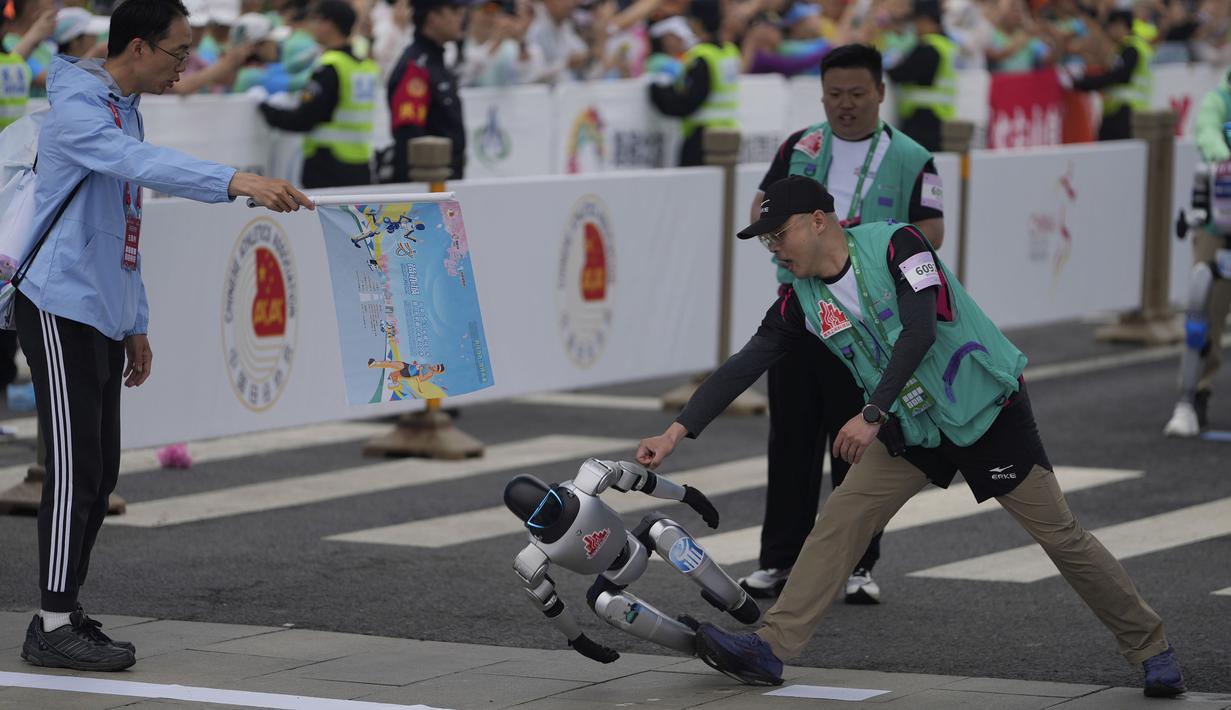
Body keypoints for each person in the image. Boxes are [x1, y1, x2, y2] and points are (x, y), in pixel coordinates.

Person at [635, 176, 1186, 698]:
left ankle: (1151, 648)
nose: (775, 249)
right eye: (766, 241)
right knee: (841, 520)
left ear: (819, 221)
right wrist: (676, 431)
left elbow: (920, 329)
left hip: (984, 411)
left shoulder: (900, 244)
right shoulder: (799, 301)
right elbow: (745, 364)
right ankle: (770, 648)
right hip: (913, 425)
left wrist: (871, 411)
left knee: (1061, 538)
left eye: (780, 235)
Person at [15, 0, 311, 673]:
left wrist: (135, 319)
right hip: (58, 305)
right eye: (180, 52)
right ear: (140, 48)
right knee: (74, 472)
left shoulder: (124, 103)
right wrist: (235, 181)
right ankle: (53, 621)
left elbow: (122, 220)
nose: (187, 66)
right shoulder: (80, 109)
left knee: (102, 470)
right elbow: (133, 164)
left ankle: (64, 610)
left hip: (99, 309)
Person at [738, 43, 944, 604]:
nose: (845, 105)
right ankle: (779, 560)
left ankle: (858, 565)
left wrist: (865, 246)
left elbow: (932, 231)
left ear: (880, 91)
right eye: (834, 95)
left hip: (866, 325)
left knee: (857, 445)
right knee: (790, 439)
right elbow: (761, 208)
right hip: (804, 312)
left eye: (857, 94)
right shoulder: (800, 145)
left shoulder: (912, 156)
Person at [1163, 68, 1231, 437]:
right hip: (1221, 221)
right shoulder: (1219, 100)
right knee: (1204, 307)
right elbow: (1206, 131)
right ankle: (1191, 397)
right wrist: (1225, 159)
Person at [258, 0, 379, 189]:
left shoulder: (330, 67)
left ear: (329, 24)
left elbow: (303, 119)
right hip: (361, 163)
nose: (310, 26)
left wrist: (264, 108)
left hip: (328, 165)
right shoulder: (366, 66)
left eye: (314, 19)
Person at [385, 0, 469, 182]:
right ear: (433, 17)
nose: (462, 16)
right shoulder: (417, 66)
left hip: (445, 186)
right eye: (454, 10)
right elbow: (410, 137)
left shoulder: (435, 62)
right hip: (429, 190)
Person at [646, 24, 739, 166]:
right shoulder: (729, 51)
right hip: (729, 133)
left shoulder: (702, 57)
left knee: (693, 185)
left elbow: (688, 102)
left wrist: (657, 92)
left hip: (702, 138)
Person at [1068, 10, 1152, 142]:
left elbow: (1118, 77)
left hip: (1124, 113)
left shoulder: (1131, 49)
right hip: (1119, 112)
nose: (1109, 32)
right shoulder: (1127, 49)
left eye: (1111, 27)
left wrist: (1083, 83)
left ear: (1120, 25)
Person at [884, 0, 957, 152]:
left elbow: (899, 74)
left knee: (916, 168)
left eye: (915, 21)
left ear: (924, 20)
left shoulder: (927, 48)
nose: (914, 26)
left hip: (921, 121)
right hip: (938, 118)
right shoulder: (946, 45)